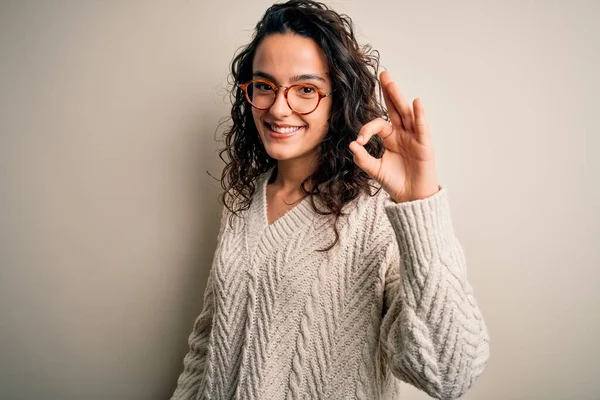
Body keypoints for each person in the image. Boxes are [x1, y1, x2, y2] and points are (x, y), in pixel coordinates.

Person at [171, 1, 490, 399]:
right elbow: (208, 342)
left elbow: (449, 374)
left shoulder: (378, 213)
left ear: (338, 98)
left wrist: (419, 204)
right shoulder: (243, 198)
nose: (278, 107)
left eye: (306, 89)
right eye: (265, 85)